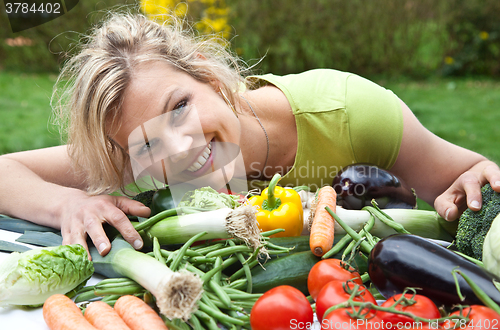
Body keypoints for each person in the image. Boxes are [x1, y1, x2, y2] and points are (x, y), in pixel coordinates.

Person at [0, 12, 499, 258]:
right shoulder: (136, 155)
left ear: (206, 74)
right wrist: (67, 205)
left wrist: (473, 180)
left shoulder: (348, 112)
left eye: (179, 107)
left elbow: (465, 182)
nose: (180, 147)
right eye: (146, 142)